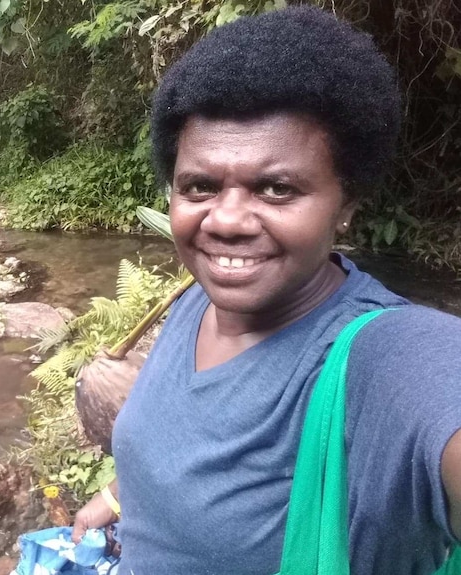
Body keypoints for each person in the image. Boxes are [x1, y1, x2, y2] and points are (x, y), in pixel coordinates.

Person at [70, 6, 461, 574]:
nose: (225, 219)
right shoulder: (197, 300)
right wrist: (117, 498)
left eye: (277, 189)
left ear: (346, 203)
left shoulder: (386, 358)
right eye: (199, 186)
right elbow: (182, 439)